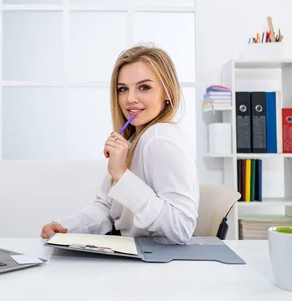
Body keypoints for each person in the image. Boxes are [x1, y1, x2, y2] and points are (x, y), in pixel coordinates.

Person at [40, 44, 199, 245]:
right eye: (123, 89)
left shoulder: (160, 139)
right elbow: (108, 209)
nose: (130, 99)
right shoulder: (135, 139)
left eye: (144, 87)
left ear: (168, 92)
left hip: (157, 268)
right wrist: (66, 227)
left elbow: (181, 227)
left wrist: (122, 175)